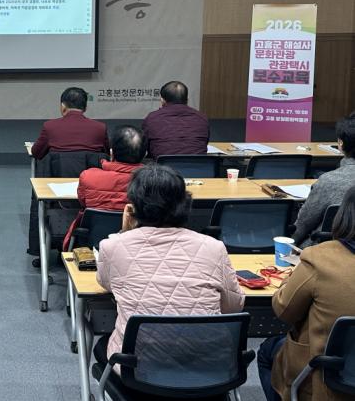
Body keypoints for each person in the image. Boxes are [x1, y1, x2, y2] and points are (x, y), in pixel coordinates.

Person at [95, 165, 244, 379]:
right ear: (184, 203)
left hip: (139, 369)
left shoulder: (112, 246)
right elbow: (233, 307)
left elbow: (106, 282)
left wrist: (125, 232)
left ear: (133, 206)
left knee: (102, 345)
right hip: (208, 367)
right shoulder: (214, 247)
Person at [257, 185, 355, 401]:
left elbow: (284, 311)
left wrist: (290, 279)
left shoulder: (319, 258)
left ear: (345, 215)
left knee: (266, 351)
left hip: (324, 381)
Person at [62, 125, 145, 250]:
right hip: (137, 245)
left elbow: (82, 201)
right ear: (145, 154)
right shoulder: (154, 182)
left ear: (111, 153)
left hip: (93, 243)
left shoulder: (88, 176)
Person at [292, 112, 355, 247]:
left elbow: (303, 225)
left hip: (328, 250)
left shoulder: (329, 181)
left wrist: (289, 244)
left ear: (341, 143)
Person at [30, 87, 109, 160]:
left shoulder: (49, 126)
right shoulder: (100, 128)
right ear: (85, 108)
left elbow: (36, 153)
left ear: (63, 106)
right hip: (90, 171)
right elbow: (107, 155)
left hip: (58, 171)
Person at [141, 80, 210, 159]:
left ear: (162, 101)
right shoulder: (202, 118)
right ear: (187, 100)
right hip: (199, 166)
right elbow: (204, 143)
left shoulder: (152, 118)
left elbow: (145, 147)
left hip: (161, 166)